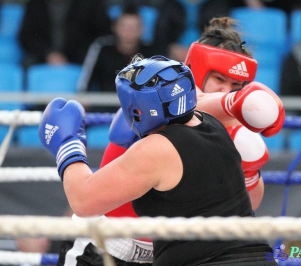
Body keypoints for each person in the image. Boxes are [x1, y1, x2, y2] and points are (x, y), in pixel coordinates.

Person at [58, 16, 285, 265]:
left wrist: (250, 171)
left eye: (236, 85)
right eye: (219, 79)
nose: (225, 90)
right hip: (113, 245)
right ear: (195, 74)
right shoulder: (149, 110)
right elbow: (88, 199)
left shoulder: (223, 130)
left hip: (176, 254)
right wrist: (233, 103)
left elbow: (244, 210)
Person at [81, 2, 159, 113]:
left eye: (134, 27)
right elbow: (85, 84)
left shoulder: (152, 53)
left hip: (141, 113)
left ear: (142, 29)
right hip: (105, 111)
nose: (129, 32)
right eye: (125, 27)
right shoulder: (102, 48)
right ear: (115, 27)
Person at [17, 0, 111, 69]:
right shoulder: (35, 4)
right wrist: (49, 54)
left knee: (101, 64)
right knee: (26, 64)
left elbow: (102, 34)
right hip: (43, 56)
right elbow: (26, 36)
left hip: (80, 56)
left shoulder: (90, 4)